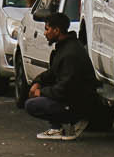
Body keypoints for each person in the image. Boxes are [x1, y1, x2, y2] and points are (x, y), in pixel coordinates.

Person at [24, 11, 97, 141]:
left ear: (57, 30)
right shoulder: (65, 47)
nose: (45, 33)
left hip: (78, 103)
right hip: (72, 98)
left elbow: (65, 88)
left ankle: (71, 122)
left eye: (47, 29)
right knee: (37, 93)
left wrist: (41, 92)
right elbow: (52, 73)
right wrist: (37, 82)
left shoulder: (70, 53)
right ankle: (58, 125)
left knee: (32, 105)